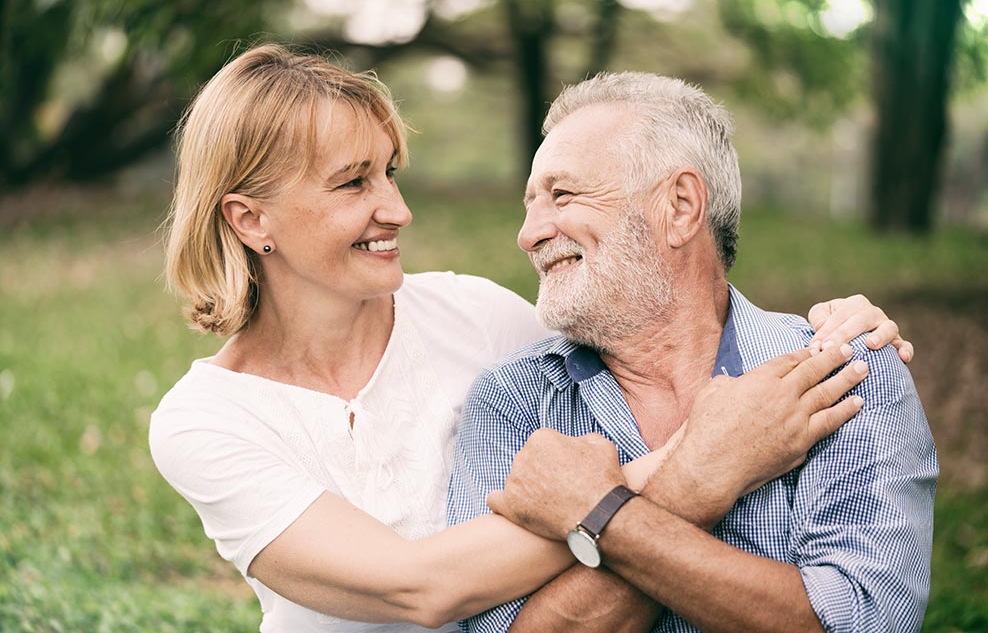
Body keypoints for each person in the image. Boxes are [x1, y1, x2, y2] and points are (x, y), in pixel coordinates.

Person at [148, 45, 914, 633]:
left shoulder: (484, 324)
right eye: (354, 183)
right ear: (251, 220)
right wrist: (695, 471)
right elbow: (420, 587)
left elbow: (645, 315)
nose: (397, 209)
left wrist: (852, 328)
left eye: (390, 173)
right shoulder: (207, 421)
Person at [448, 72, 937, 633]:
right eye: (530, 205)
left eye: (562, 195)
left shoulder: (845, 371)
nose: (528, 233)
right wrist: (694, 484)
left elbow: (863, 622)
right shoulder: (510, 401)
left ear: (680, 207)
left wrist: (601, 513)